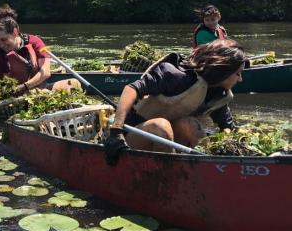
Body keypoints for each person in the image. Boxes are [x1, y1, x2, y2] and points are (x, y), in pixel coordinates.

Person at [104, 39, 246, 165]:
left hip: (167, 143)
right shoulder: (175, 74)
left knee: (191, 125)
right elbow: (131, 89)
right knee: (161, 126)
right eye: (238, 74)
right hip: (131, 135)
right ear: (223, 71)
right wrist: (116, 130)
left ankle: (202, 171)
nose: (240, 80)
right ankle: (165, 180)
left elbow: (228, 130)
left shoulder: (218, 94)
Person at [0, 5, 78, 95]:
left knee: (73, 83)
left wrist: (25, 86)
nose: (1, 45)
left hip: (38, 88)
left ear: (14, 32)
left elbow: (45, 72)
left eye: (4, 39)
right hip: (12, 94)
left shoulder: (35, 41)